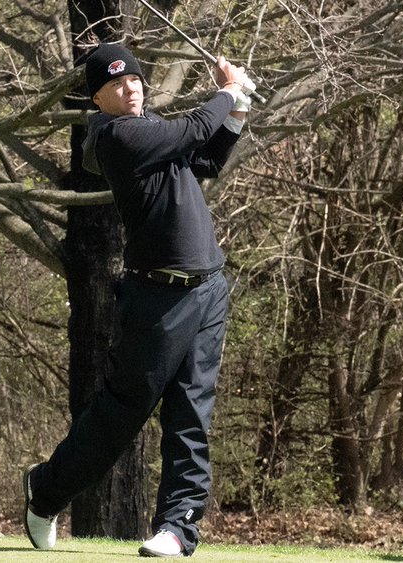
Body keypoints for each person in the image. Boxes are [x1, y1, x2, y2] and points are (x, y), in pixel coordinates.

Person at [22, 43, 251, 558]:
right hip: (156, 300)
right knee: (120, 417)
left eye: (136, 81)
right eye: (117, 85)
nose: (131, 89)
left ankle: (177, 527)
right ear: (97, 97)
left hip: (208, 289)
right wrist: (227, 91)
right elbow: (193, 130)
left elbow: (208, 156)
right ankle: (46, 490)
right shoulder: (117, 136)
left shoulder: (148, 131)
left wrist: (236, 111)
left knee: (192, 413)